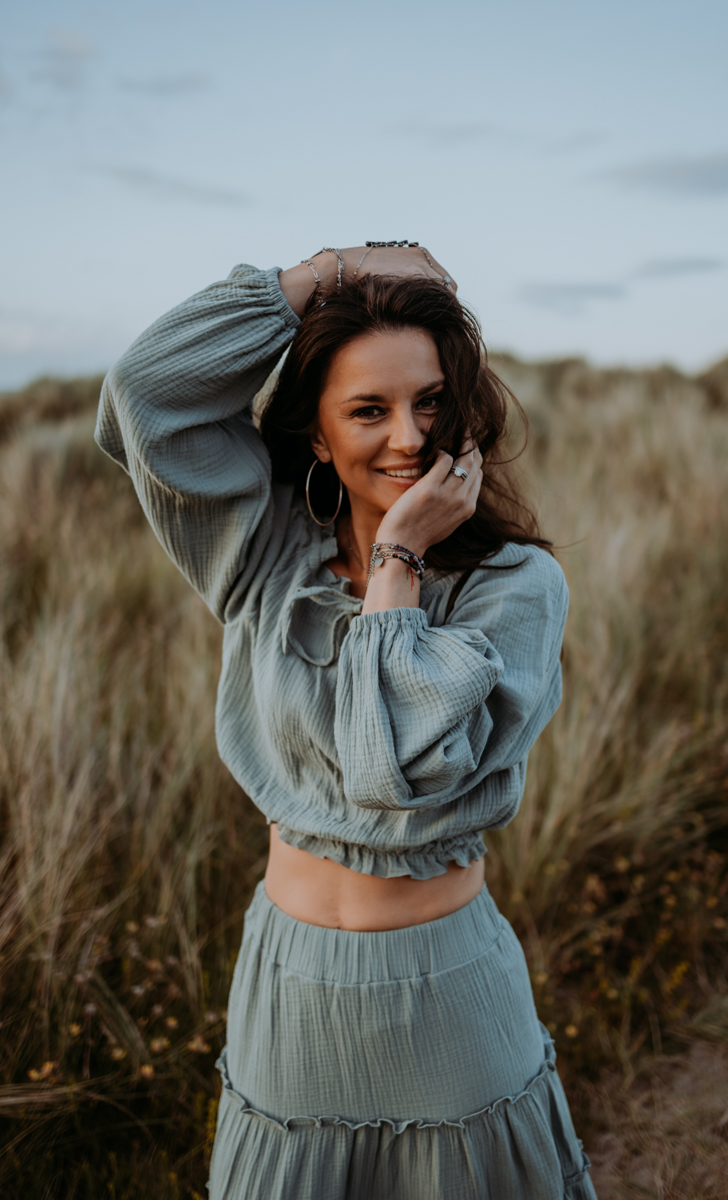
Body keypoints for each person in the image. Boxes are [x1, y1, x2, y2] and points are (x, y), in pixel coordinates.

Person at [95, 243, 597, 1200]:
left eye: (432, 401)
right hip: (288, 990)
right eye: (368, 409)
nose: (409, 436)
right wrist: (327, 271)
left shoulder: (514, 588)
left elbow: (395, 768)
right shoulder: (265, 559)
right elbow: (143, 393)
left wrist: (401, 556)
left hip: (447, 1001)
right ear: (317, 436)